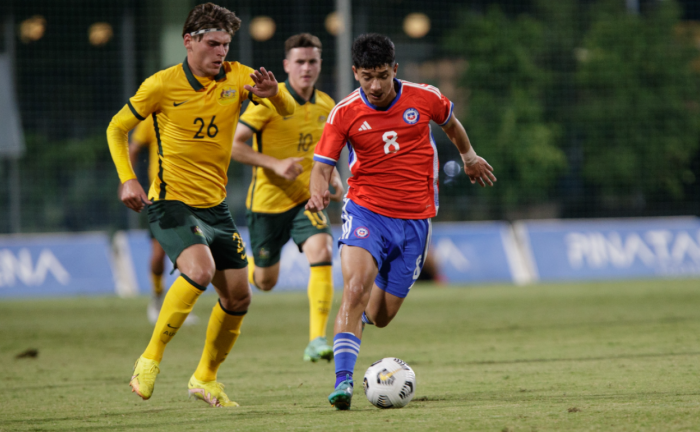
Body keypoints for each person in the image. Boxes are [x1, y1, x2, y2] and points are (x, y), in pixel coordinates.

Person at [106, 2, 296, 407]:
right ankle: (149, 359)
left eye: (226, 44)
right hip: (170, 202)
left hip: (216, 208)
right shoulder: (161, 84)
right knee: (200, 268)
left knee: (239, 298)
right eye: (213, 44)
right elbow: (117, 127)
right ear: (188, 41)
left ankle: (204, 379)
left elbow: (289, 110)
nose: (221, 52)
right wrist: (127, 177)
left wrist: (275, 95)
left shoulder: (240, 77)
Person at [306, 33, 496, 410]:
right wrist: (317, 191)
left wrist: (470, 157)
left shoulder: (424, 97)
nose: (375, 86)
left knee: (380, 314)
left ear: (394, 69)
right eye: (366, 77)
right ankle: (343, 382)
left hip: (415, 221)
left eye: (381, 75)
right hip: (366, 211)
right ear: (355, 72)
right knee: (354, 289)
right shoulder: (343, 113)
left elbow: (452, 124)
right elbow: (321, 165)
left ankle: (364, 309)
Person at [232, 33, 343, 363]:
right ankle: (246, 267)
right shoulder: (269, 102)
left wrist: (333, 177)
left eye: (312, 61)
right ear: (286, 65)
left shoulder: (328, 105)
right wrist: (275, 164)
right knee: (265, 282)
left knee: (322, 249)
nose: (306, 68)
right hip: (266, 205)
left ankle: (316, 340)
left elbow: (325, 152)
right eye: (300, 62)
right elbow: (235, 145)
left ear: (320, 64)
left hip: (304, 201)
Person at [128, 117, 197, 325]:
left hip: (192, 194)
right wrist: (129, 181)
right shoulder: (151, 118)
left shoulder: (192, 109)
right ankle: (157, 297)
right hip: (161, 196)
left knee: (191, 251)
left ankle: (181, 306)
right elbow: (134, 148)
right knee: (158, 255)